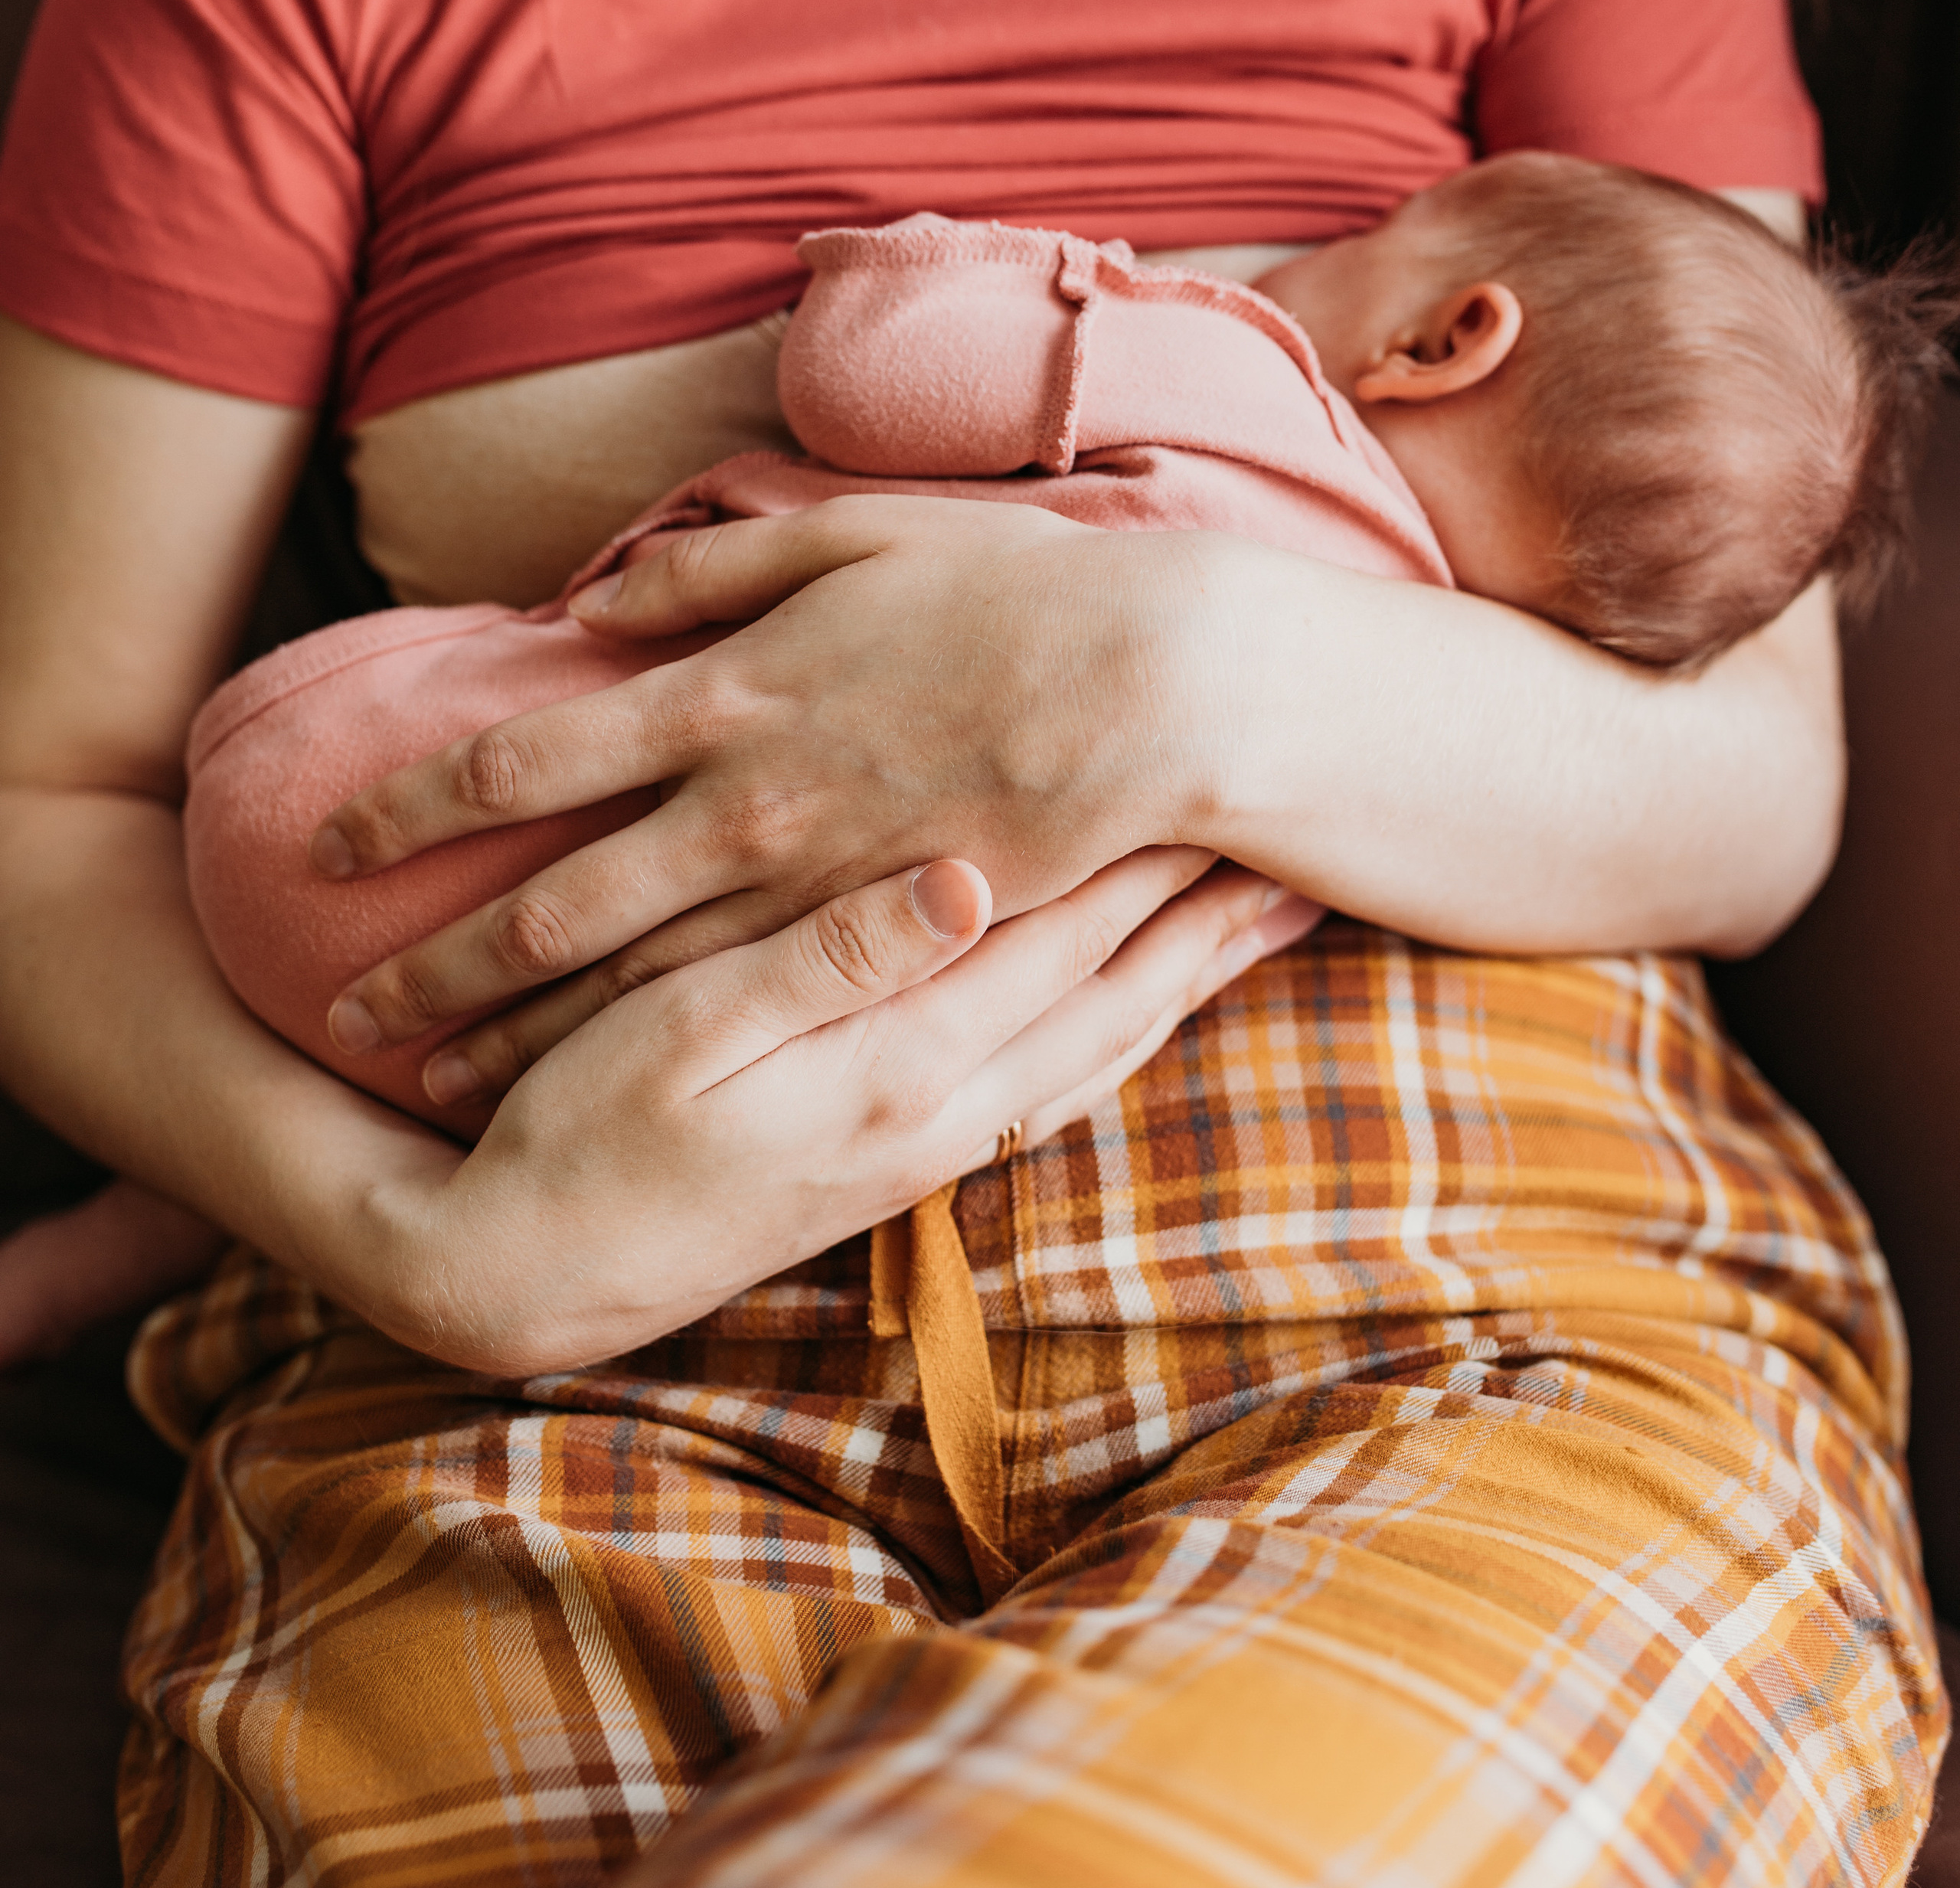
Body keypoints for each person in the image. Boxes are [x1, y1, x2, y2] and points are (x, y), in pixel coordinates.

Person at [0, 0, 1945, 1888]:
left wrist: (1162, 670)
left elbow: (1747, 775)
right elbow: (47, 785)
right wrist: (443, 1249)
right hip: (565, 1276)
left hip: (1450, 1228)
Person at [0, 155, 1948, 1377]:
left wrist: (1049, 272)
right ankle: (206, 1225)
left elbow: (869, 367)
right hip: (753, 1095)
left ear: (1444, 335)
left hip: (388, 857)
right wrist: (425, 1260)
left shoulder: (1240, 384)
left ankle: (149, 1230)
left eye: (1357, 233)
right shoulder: (1388, 749)